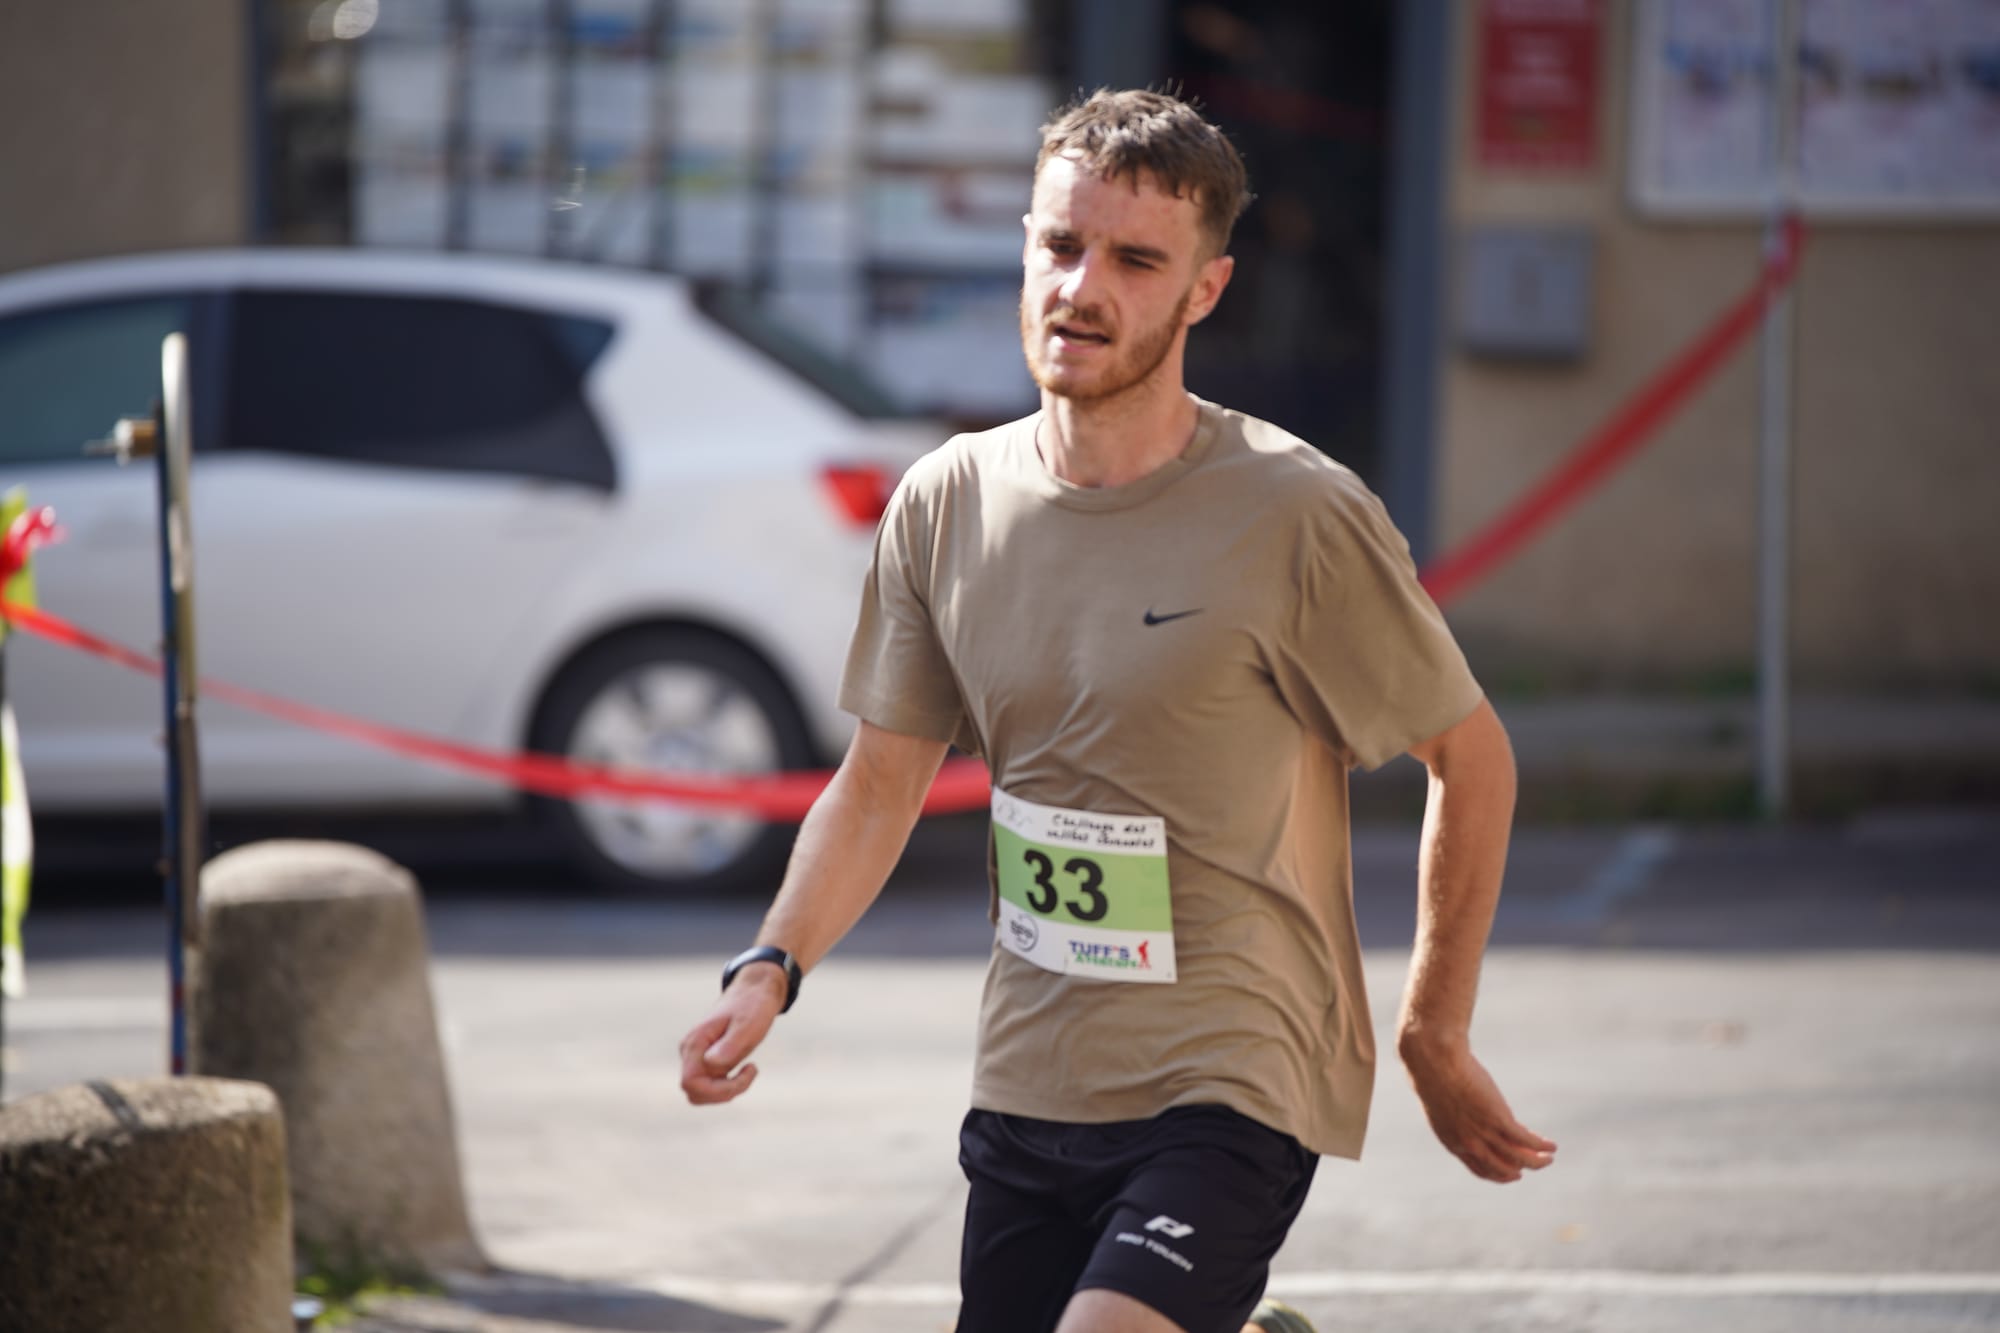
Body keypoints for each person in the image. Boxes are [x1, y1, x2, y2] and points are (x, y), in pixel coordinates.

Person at [679, 88, 1556, 1333]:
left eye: (1135, 260)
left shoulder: (1292, 514)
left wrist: (1430, 1027)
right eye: (1058, 245)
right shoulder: (944, 503)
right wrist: (769, 967)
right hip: (1032, 1074)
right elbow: (876, 784)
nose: (1081, 287)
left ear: (1204, 290)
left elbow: (1470, 758)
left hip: (1235, 1070)